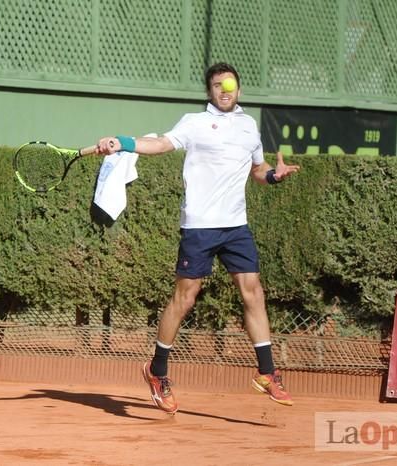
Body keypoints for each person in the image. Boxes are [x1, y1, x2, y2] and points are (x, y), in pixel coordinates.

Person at [95, 62, 300, 414]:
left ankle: (267, 372)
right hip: (199, 226)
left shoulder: (250, 127)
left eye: (230, 84)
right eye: (218, 85)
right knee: (184, 298)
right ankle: (157, 371)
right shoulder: (194, 122)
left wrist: (275, 176)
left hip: (236, 226)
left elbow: (257, 171)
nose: (224, 90)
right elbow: (160, 144)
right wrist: (123, 142)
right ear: (209, 92)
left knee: (253, 290)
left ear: (239, 89)